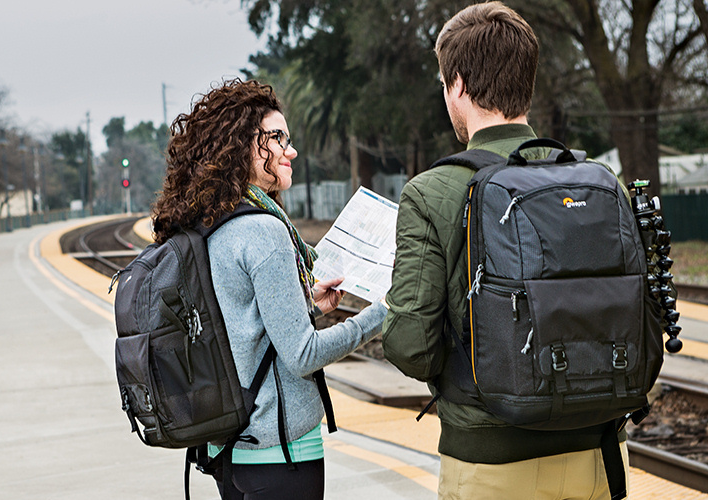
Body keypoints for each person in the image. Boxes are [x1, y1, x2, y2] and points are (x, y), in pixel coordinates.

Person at [380, 3, 630, 499]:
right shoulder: (604, 183)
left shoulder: (430, 192)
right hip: (601, 455)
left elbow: (412, 346)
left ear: (458, 86)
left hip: (492, 464)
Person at [151, 78, 387, 500]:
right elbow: (302, 355)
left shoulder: (213, 222)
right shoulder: (263, 230)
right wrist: (383, 311)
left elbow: (243, 325)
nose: (290, 150)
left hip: (231, 449)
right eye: (277, 138)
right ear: (241, 145)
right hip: (281, 454)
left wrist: (304, 304)